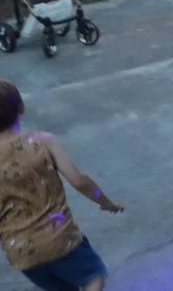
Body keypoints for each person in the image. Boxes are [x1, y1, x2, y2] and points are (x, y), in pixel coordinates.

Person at [0, 79, 124, 291]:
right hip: (60, 239)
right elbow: (79, 181)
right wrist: (106, 202)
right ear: (21, 106)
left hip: (21, 251)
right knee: (93, 277)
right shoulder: (43, 142)